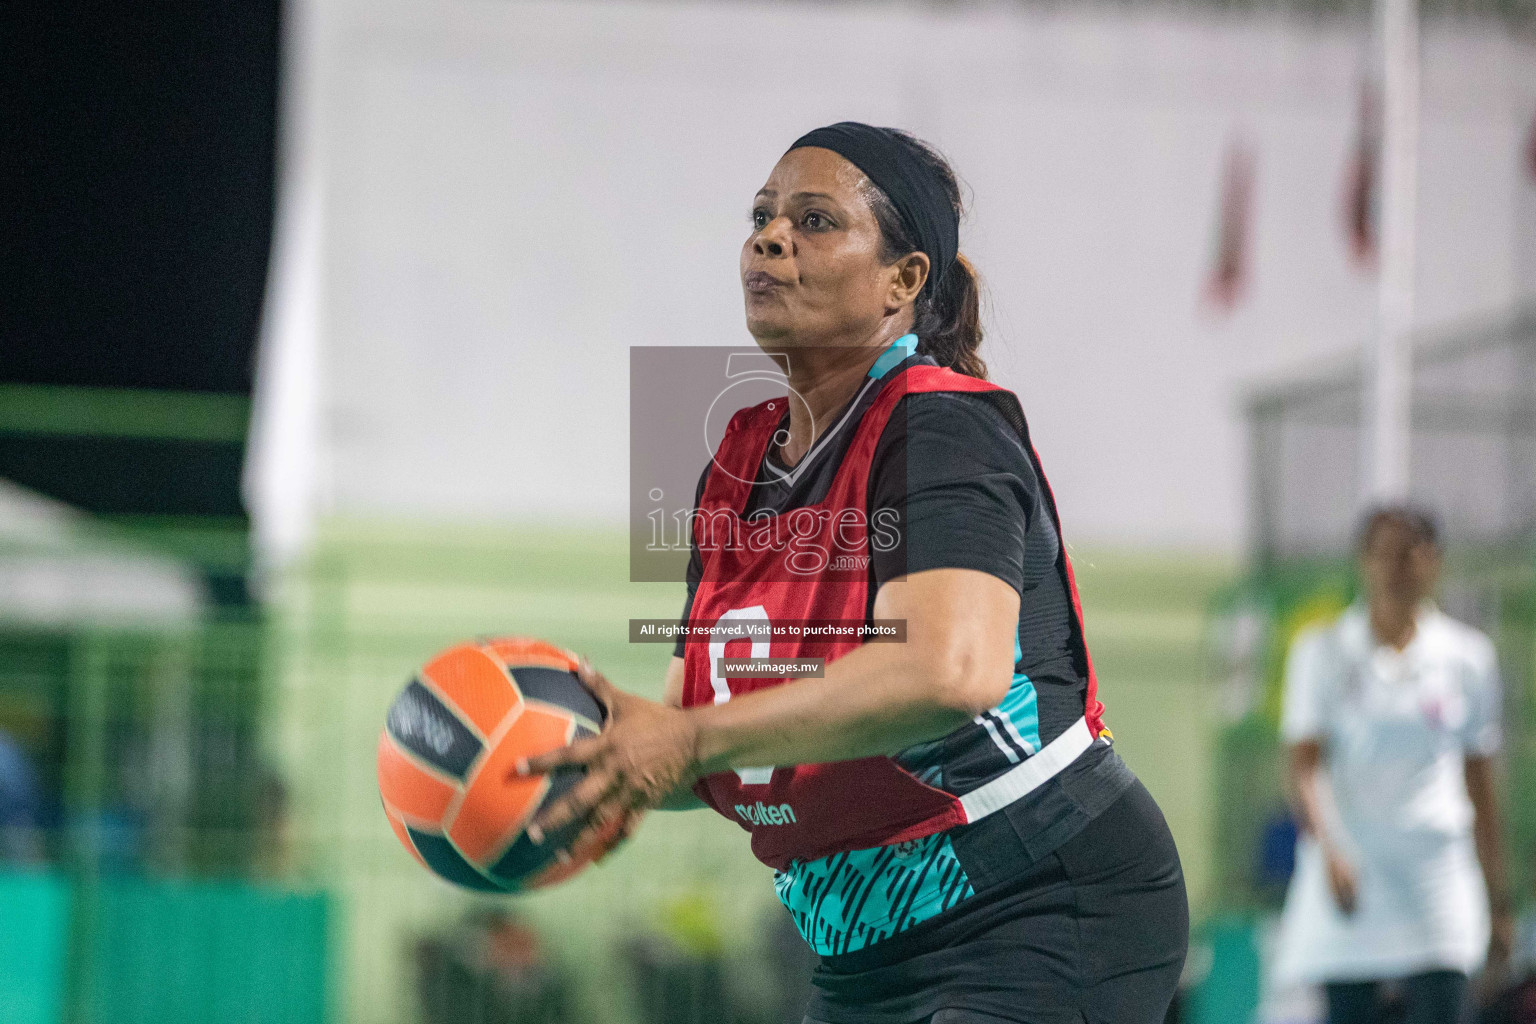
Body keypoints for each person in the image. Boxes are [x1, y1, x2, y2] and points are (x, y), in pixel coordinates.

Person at [520, 121, 1189, 1024]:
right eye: (761, 216)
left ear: (903, 282)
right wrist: (590, 768)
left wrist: (689, 744)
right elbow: (702, 736)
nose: (769, 238)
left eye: (815, 221)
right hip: (863, 947)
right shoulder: (734, 461)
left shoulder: (944, 426)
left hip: (1035, 899)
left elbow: (946, 671)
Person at [1274, 505, 1512, 1024]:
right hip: (1353, 876)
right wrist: (1330, 848)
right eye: (1383, 554)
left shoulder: (1468, 657)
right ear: (1363, 561)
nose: (1396, 568)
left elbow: (1480, 782)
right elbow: (1304, 765)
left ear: (1434, 562)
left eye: (1409, 554)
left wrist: (1499, 895)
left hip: (1436, 877)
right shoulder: (1322, 651)